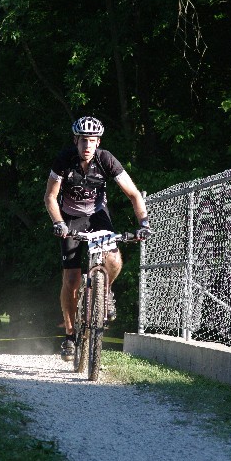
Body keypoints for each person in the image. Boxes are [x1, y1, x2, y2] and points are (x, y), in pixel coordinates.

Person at [44, 116, 151, 360]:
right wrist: (58, 223)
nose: (87, 146)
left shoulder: (106, 160)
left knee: (113, 258)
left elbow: (134, 195)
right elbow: (50, 197)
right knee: (70, 279)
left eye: (92, 141)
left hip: (98, 217)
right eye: (83, 140)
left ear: (98, 142)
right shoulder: (64, 160)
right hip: (70, 219)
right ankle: (70, 337)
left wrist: (144, 224)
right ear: (76, 141)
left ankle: (106, 291)